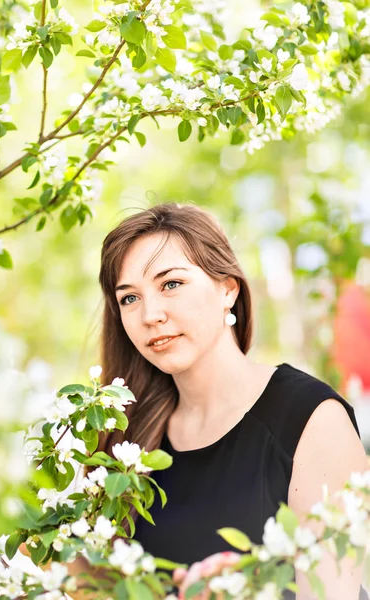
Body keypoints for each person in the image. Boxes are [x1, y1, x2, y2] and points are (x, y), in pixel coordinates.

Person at [96, 202, 369, 600]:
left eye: (171, 284)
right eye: (129, 298)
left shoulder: (312, 420)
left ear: (228, 289)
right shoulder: (129, 439)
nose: (150, 314)